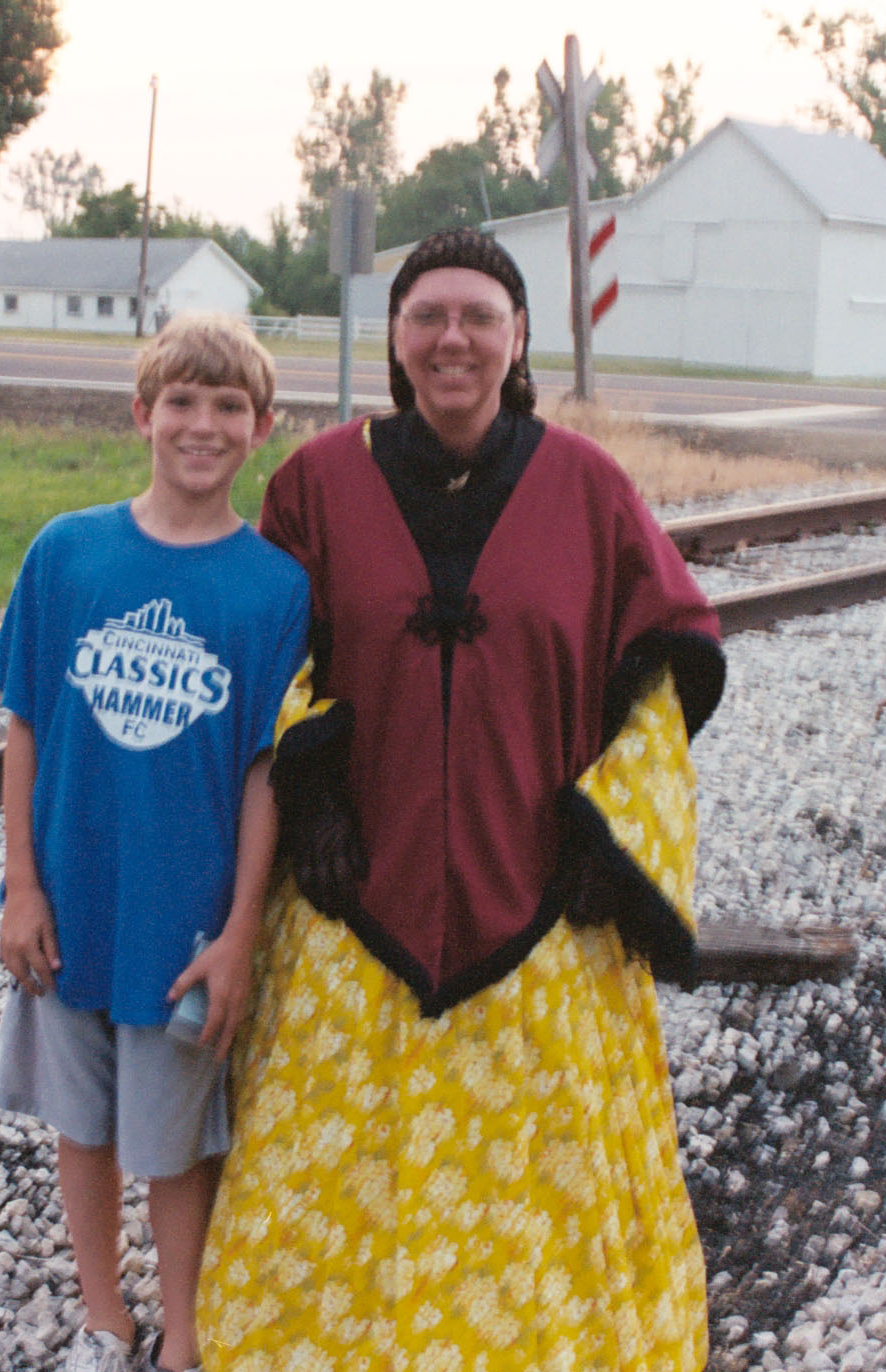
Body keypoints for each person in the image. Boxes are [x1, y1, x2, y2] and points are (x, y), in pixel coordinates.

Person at [195, 230, 727, 1369]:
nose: (454, 338)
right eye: (428, 315)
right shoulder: (316, 487)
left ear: (518, 337)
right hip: (353, 911)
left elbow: (667, 668)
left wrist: (610, 837)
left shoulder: (590, 489)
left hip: (540, 918)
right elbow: (269, 661)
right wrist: (314, 783)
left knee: (555, 1184)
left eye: (479, 317)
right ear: (394, 337)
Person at [0, 314, 309, 1372]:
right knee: (83, 1125)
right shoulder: (67, 553)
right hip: (75, 902)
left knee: (176, 1141)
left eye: (225, 407)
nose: (200, 425)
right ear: (141, 413)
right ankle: (102, 1316)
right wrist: (19, 887)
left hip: (186, 916)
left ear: (259, 427)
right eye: (180, 402)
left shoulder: (274, 588)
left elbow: (267, 771)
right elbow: (25, 722)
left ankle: (184, 1328)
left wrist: (241, 931)